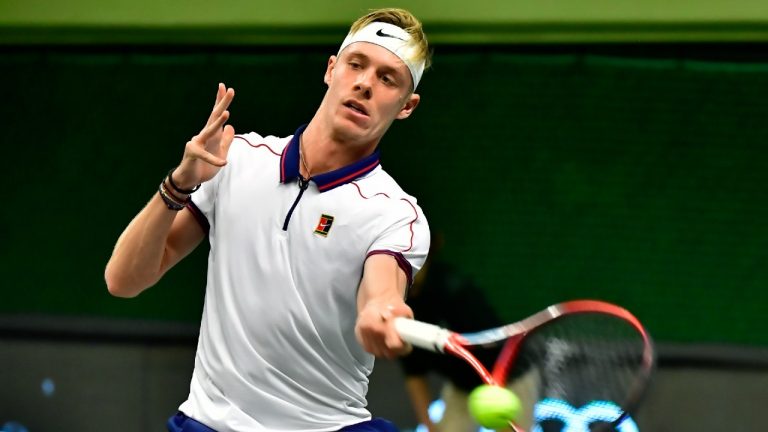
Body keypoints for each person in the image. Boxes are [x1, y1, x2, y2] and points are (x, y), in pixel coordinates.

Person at [104, 8, 432, 432]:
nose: (366, 84)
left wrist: (382, 312)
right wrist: (178, 185)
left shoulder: (395, 213)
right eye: (356, 65)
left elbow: (382, 292)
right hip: (209, 424)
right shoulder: (235, 159)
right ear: (331, 70)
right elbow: (123, 281)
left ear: (407, 106)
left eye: (388, 78)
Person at [398, 234, 502, 432]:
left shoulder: (456, 290)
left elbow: (493, 347)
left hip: (507, 379)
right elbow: (414, 372)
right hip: (461, 387)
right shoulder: (403, 303)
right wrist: (429, 425)